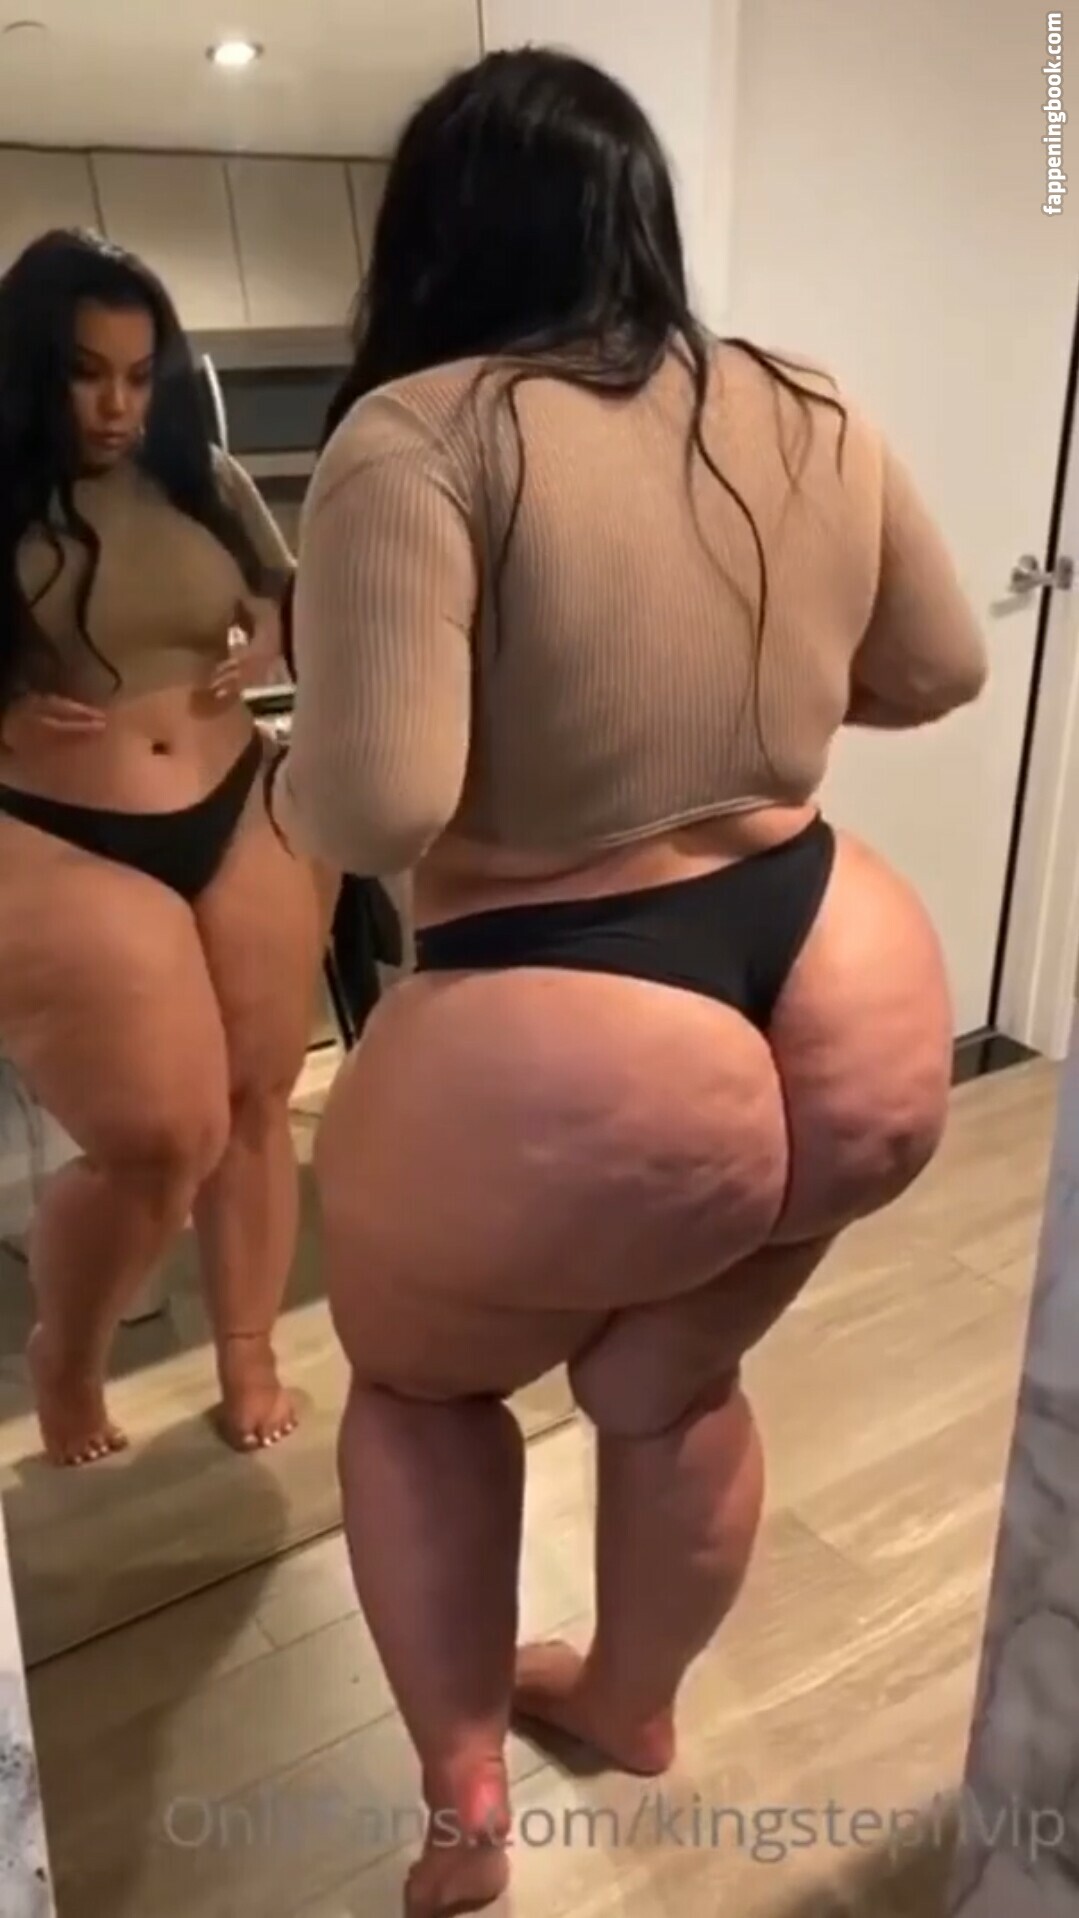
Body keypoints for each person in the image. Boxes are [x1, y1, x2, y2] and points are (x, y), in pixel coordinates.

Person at [269, 48, 988, 1918]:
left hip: (568, 1011)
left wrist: (279, 781)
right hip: (843, 980)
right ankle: (632, 1698)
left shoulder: (415, 434)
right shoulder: (803, 400)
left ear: (428, 235)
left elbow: (378, 800)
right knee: (670, 1384)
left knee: (420, 1395)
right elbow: (934, 669)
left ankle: (463, 1804)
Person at [0, 228, 336, 1466]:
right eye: (87, 374)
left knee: (255, 1098)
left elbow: (284, 594)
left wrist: (272, 624)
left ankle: (247, 1352)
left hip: (234, 797)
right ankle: (68, 1352)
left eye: (140, 377)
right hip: (54, 832)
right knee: (160, 1134)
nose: (118, 407)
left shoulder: (203, 479)